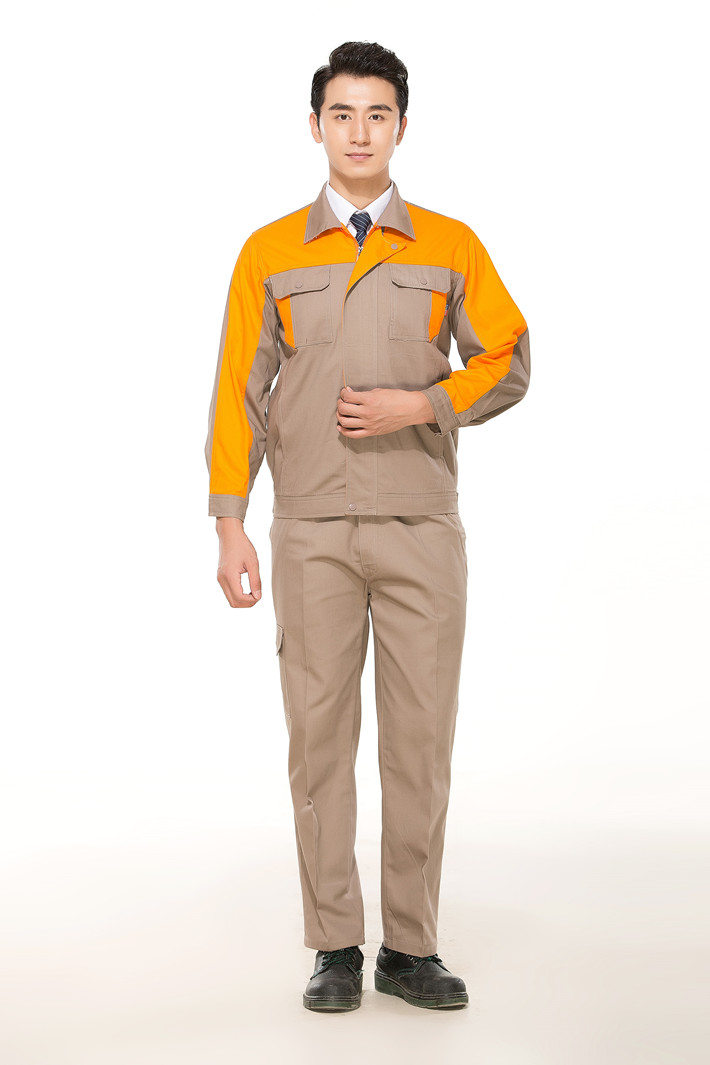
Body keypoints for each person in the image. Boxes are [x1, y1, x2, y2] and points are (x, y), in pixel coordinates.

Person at [204, 41, 530, 1012]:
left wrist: (423, 404)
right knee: (318, 743)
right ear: (315, 127)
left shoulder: (449, 244)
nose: (358, 132)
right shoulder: (269, 251)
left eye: (376, 114)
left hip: (420, 523)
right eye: (341, 114)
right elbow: (238, 393)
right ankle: (336, 945)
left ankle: (411, 948)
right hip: (308, 530)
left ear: (400, 127)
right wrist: (230, 522)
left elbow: (507, 357)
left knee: (418, 744)